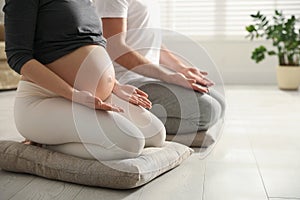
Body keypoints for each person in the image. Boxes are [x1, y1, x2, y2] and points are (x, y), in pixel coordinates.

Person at [3, 0, 166, 161]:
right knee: (130, 144)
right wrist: (74, 94)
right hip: (44, 99)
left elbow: (93, 43)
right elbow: (18, 57)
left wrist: (115, 85)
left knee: (155, 135)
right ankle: (46, 143)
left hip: (90, 98)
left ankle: (55, 137)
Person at [94, 0, 225, 142]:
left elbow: (151, 42)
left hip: (148, 76)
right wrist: (168, 75)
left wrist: (181, 68)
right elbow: (114, 46)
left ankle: (152, 127)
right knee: (207, 111)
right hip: (125, 81)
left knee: (219, 104)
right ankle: (139, 130)